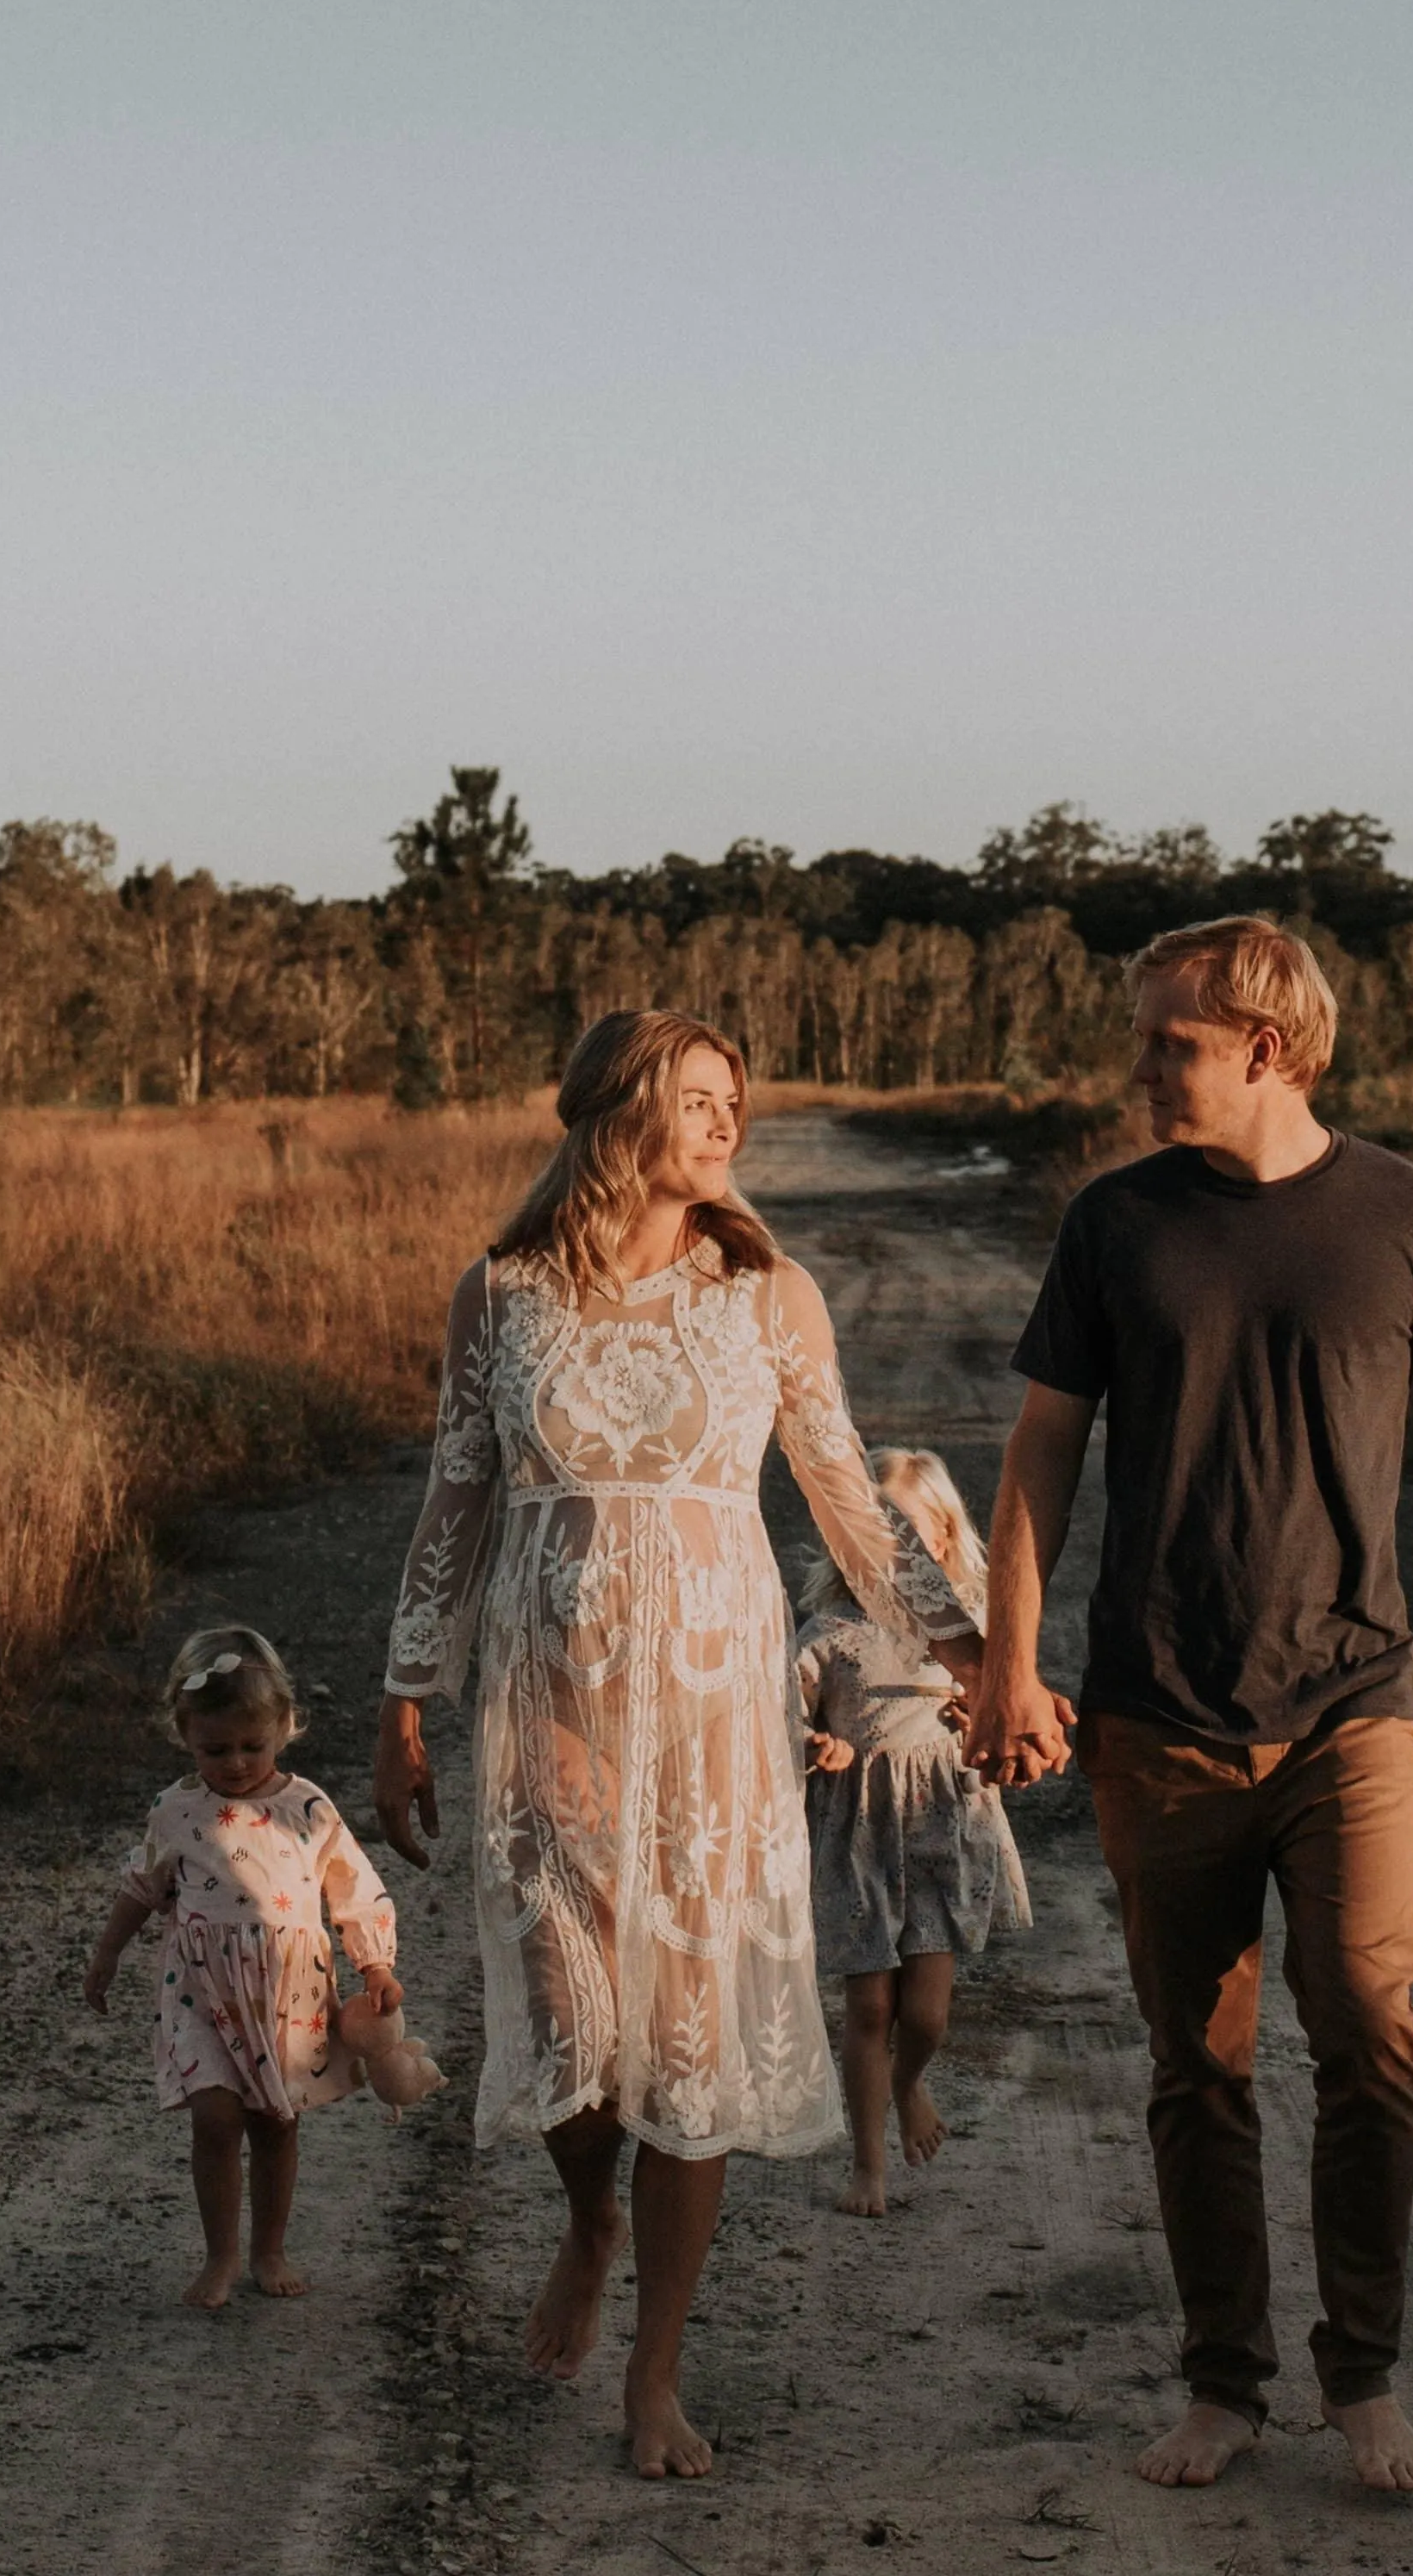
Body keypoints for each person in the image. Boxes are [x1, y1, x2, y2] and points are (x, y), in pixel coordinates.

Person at [968, 915, 1413, 2497]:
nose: (1144, 1065)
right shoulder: (1114, 1224)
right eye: (1145, 1036)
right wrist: (1013, 1664)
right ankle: (1225, 2383)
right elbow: (1039, 1454)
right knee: (1196, 2062)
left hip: (1355, 1703)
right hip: (1158, 1713)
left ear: (1267, 1048)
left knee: (1368, 2027)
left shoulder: (1411, 1215)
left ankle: (1364, 2377)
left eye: (1172, 1041)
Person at [371, 1009, 980, 2479]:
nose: (726, 1127)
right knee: (579, 2040)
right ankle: (587, 2218)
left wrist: (967, 1648)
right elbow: (456, 1500)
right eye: (698, 1101)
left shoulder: (768, 1295)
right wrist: (400, 1700)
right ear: (615, 1112)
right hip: (548, 1698)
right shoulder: (503, 1295)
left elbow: (843, 1491)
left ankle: (657, 2370)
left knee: (688, 2044)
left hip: (712, 1710)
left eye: (734, 1104)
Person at [83, 1625, 403, 2309]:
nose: (233, 1764)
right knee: (216, 2120)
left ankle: (270, 2248)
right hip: (203, 1993)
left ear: (285, 1727)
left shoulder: (308, 1808)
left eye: (251, 1746)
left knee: (277, 2123)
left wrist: (375, 1965)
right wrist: (107, 1954)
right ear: (184, 1735)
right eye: (215, 1749)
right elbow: (143, 1887)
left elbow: (354, 1886)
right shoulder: (177, 1810)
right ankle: (221, 2255)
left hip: (286, 1995)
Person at [797, 1445, 1031, 2218]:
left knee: (925, 2014)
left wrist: (982, 1720)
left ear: (945, 1535)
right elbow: (781, 1714)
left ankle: (908, 2079)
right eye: (880, 1527)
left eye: (915, 1529)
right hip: (858, 1833)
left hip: (937, 1830)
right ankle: (868, 2167)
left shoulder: (971, 1627)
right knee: (868, 2008)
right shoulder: (827, 1632)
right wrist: (813, 1744)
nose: (899, 1546)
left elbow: (1005, 1724)